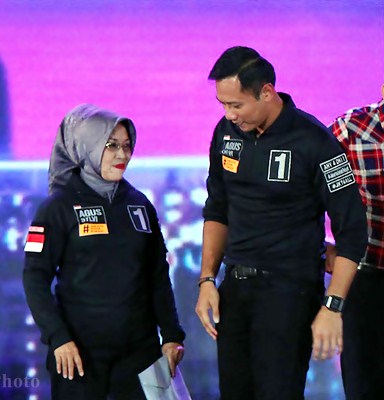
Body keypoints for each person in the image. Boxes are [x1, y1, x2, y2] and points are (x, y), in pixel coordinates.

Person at [194, 46, 368, 400]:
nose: (229, 115)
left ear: (267, 92)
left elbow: (352, 231)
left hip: (290, 293)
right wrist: (207, 279)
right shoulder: (226, 134)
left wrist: (332, 307)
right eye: (223, 105)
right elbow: (217, 209)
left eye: (236, 105)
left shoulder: (315, 142)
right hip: (235, 290)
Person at [22, 104, 185, 399]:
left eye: (127, 145)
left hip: (141, 352)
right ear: (88, 147)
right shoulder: (57, 208)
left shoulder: (140, 204)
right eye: (111, 146)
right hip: (78, 354)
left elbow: (157, 275)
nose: (122, 155)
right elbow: (34, 278)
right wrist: (58, 338)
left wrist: (172, 335)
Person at [329, 85, 384, 400]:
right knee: (365, 386)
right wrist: (323, 248)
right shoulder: (350, 129)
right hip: (367, 279)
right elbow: (304, 190)